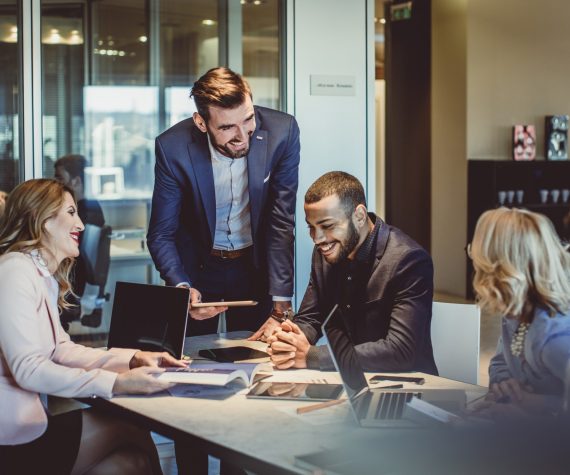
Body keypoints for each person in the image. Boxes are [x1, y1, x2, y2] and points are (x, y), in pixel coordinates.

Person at [0, 179, 186, 475]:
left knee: (131, 465)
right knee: (130, 426)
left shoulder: (39, 275)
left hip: (27, 430)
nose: (81, 225)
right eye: (71, 212)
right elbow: (28, 369)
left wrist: (132, 358)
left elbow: (61, 349)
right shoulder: (14, 271)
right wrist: (116, 383)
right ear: (44, 220)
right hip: (12, 445)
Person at [147, 67, 300, 342]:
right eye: (228, 127)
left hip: (253, 267)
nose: (243, 136)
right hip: (197, 269)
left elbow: (281, 222)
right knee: (191, 359)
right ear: (201, 123)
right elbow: (161, 233)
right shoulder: (173, 148)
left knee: (261, 359)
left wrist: (282, 299)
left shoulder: (282, 133)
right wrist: (182, 286)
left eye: (249, 119)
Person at [268, 171, 438, 374]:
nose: (317, 238)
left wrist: (311, 356)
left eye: (327, 226)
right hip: (349, 383)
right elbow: (310, 318)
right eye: (311, 227)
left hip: (407, 389)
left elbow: (400, 351)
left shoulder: (408, 260)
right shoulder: (325, 252)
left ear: (359, 216)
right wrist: (290, 339)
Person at [468, 207, 570, 419]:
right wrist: (506, 391)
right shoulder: (516, 310)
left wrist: (534, 405)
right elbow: (499, 363)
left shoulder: (557, 338)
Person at [54, 154, 106, 329]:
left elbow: (78, 260)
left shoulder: (87, 215)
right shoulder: (89, 208)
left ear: (76, 181)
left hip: (72, 289)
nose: (55, 185)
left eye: (60, 178)